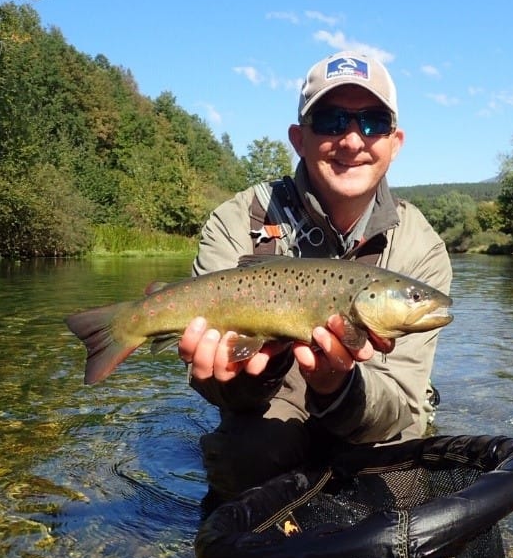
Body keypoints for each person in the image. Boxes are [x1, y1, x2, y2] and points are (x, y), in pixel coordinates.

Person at [177, 51, 452, 504]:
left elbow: (402, 405)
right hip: (271, 415)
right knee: (243, 457)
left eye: (372, 122)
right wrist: (237, 378)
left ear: (395, 141)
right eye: (330, 119)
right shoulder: (237, 220)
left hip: (373, 420)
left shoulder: (421, 247)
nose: (351, 140)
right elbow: (215, 384)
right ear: (298, 138)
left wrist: (338, 385)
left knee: (402, 483)